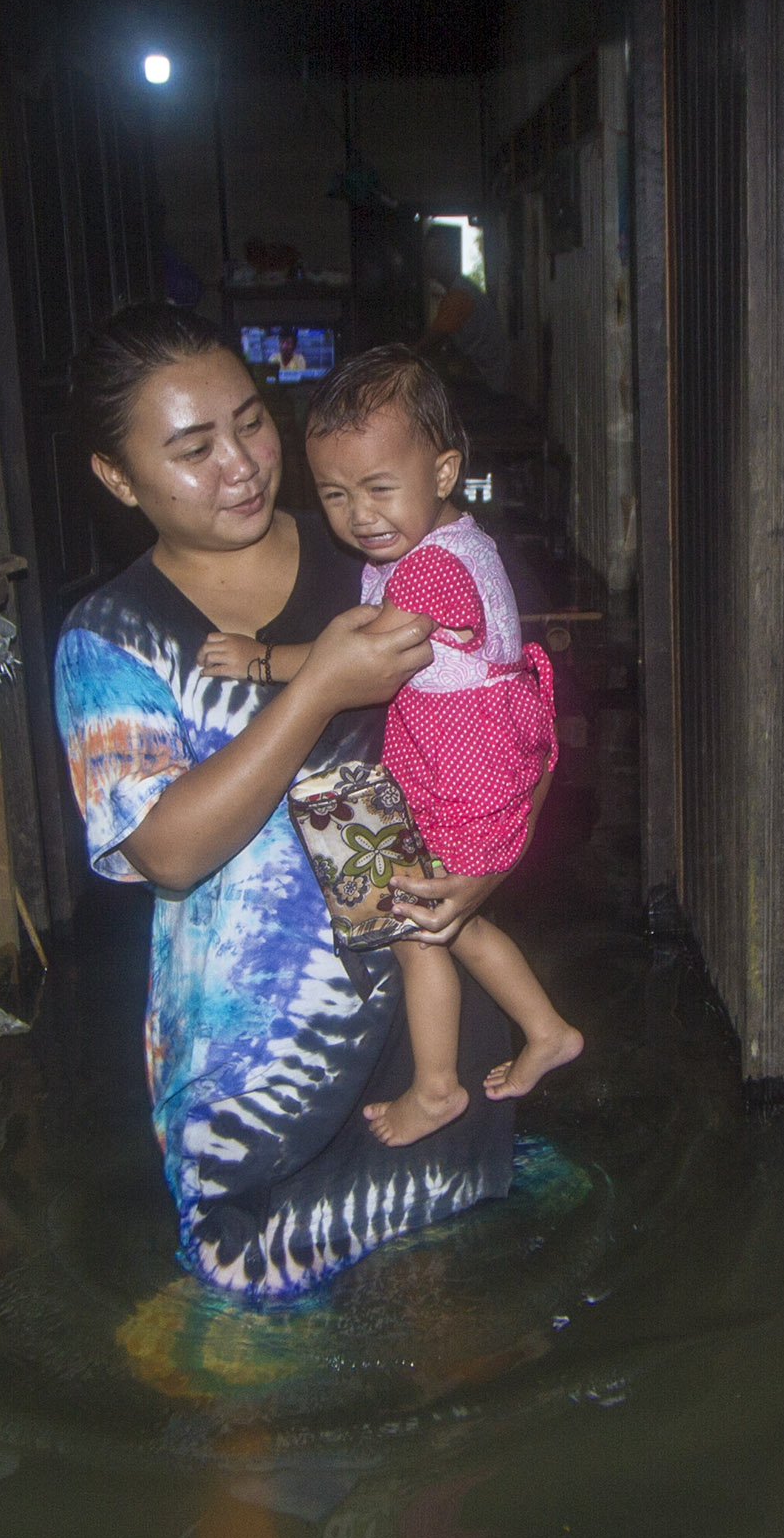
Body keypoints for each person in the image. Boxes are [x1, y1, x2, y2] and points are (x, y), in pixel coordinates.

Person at [52, 305, 544, 1301]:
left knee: (461, 1347)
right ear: (118, 477)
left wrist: (495, 860)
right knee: (256, 1369)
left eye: (249, 423)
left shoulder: (378, 550)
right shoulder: (112, 638)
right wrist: (317, 684)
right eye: (193, 448)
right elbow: (169, 853)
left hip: (431, 1040)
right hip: (261, 1069)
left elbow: (510, 728)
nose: (239, 464)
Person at [215, 347, 578, 1146]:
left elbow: (361, 661)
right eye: (336, 494)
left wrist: (261, 660)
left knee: (418, 934)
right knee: (457, 924)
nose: (359, 516)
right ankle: (547, 1029)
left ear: (444, 471)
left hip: (470, 771)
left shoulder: (431, 573)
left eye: (380, 488)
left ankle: (437, 1086)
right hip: (473, 761)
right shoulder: (438, 543)